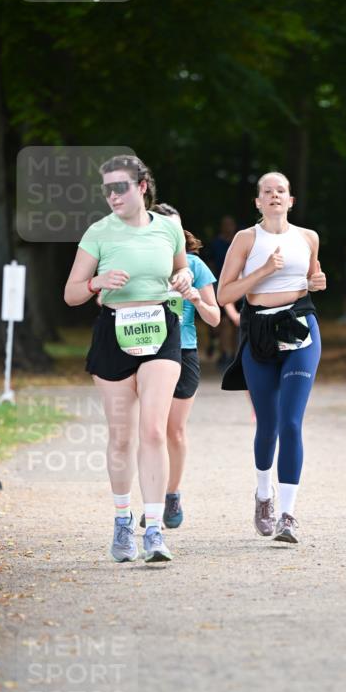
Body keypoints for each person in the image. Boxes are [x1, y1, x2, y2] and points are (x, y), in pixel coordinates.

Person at [64, 155, 193, 564]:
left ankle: (153, 529)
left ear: (142, 187)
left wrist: (184, 279)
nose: (113, 195)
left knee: (153, 431)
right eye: (107, 189)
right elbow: (71, 293)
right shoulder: (98, 233)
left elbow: (182, 271)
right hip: (114, 332)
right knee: (121, 436)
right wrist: (95, 281)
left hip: (160, 328)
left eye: (120, 186)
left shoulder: (168, 229)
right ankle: (123, 523)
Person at [217, 171, 326, 543]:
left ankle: (288, 515)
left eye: (282, 190)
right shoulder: (246, 239)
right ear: (258, 202)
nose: (275, 196)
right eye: (268, 192)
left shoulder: (308, 237)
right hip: (260, 332)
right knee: (268, 425)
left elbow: (313, 276)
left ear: (291, 200)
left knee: (291, 423)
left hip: (300, 328)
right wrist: (263, 271)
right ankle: (264, 494)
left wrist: (317, 281)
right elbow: (223, 294)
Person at [138, 202, 220, 530]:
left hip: (184, 352)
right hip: (147, 349)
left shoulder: (196, 266)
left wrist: (195, 299)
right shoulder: (142, 263)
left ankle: (172, 494)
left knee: (173, 430)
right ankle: (153, 500)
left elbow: (214, 318)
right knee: (149, 430)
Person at [209, 215, 240, 368]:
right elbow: (211, 264)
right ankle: (224, 353)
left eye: (230, 224)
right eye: (225, 224)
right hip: (222, 286)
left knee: (237, 323)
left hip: (240, 286)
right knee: (223, 322)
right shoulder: (216, 244)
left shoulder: (240, 242)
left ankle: (235, 353)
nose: (228, 227)